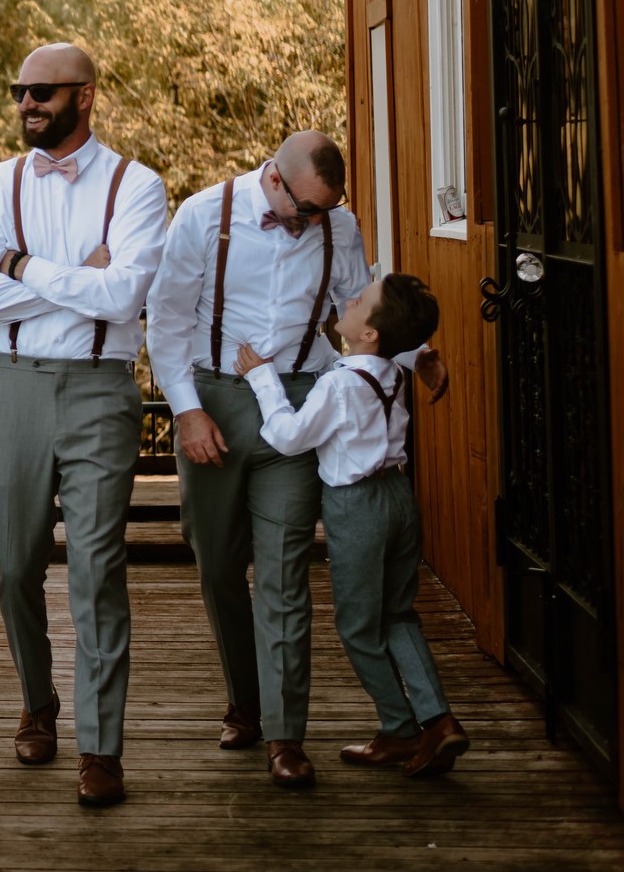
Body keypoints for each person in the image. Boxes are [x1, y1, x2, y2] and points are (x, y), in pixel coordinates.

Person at [0, 43, 168, 807]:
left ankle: (100, 745)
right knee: (13, 563)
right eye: (18, 91)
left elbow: (122, 299)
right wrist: (80, 275)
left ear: (86, 95)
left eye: (41, 91)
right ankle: (37, 698)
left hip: (99, 390)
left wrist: (22, 266)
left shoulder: (137, 185)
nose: (26, 103)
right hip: (10, 387)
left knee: (96, 567)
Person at [146, 131, 371, 789]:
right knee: (216, 561)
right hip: (214, 399)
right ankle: (244, 697)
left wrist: (409, 357)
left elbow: (357, 312)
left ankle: (283, 732)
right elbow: (165, 318)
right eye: (307, 210)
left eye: (326, 212)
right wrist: (186, 410)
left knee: (283, 570)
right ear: (274, 180)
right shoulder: (202, 215)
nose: (315, 224)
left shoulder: (338, 226)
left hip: (293, 410)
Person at [235, 273, 469, 778]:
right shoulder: (392, 373)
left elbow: (289, 437)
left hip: (357, 506)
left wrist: (262, 379)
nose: (352, 297)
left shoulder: (340, 383)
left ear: (369, 334)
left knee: (360, 628)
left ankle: (402, 729)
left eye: (362, 300)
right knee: (399, 614)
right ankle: (437, 719)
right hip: (399, 497)